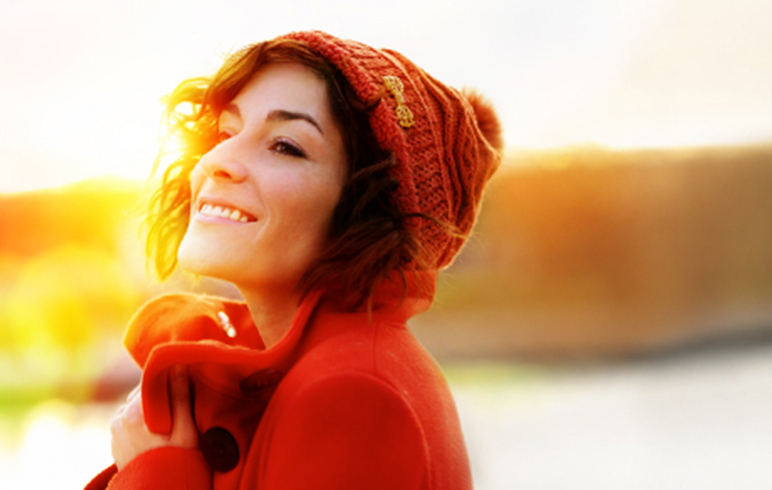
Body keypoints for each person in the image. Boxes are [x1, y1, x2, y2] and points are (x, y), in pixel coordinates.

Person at [85, 30, 501, 490]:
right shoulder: (326, 367)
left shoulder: (352, 392)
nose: (218, 160)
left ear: (364, 207)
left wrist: (159, 472)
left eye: (285, 146)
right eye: (226, 131)